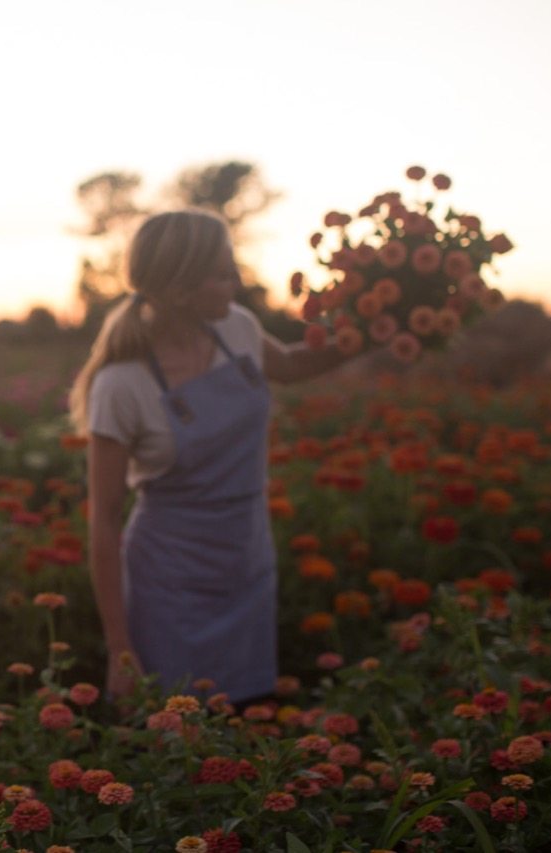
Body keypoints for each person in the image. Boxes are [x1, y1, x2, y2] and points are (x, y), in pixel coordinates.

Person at [69, 209, 348, 704]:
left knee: (245, 729)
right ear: (179, 290)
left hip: (247, 560)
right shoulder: (122, 384)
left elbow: (291, 364)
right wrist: (120, 650)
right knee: (173, 738)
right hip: (169, 582)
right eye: (223, 274)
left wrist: (373, 329)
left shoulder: (237, 328)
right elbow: (105, 522)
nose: (237, 282)